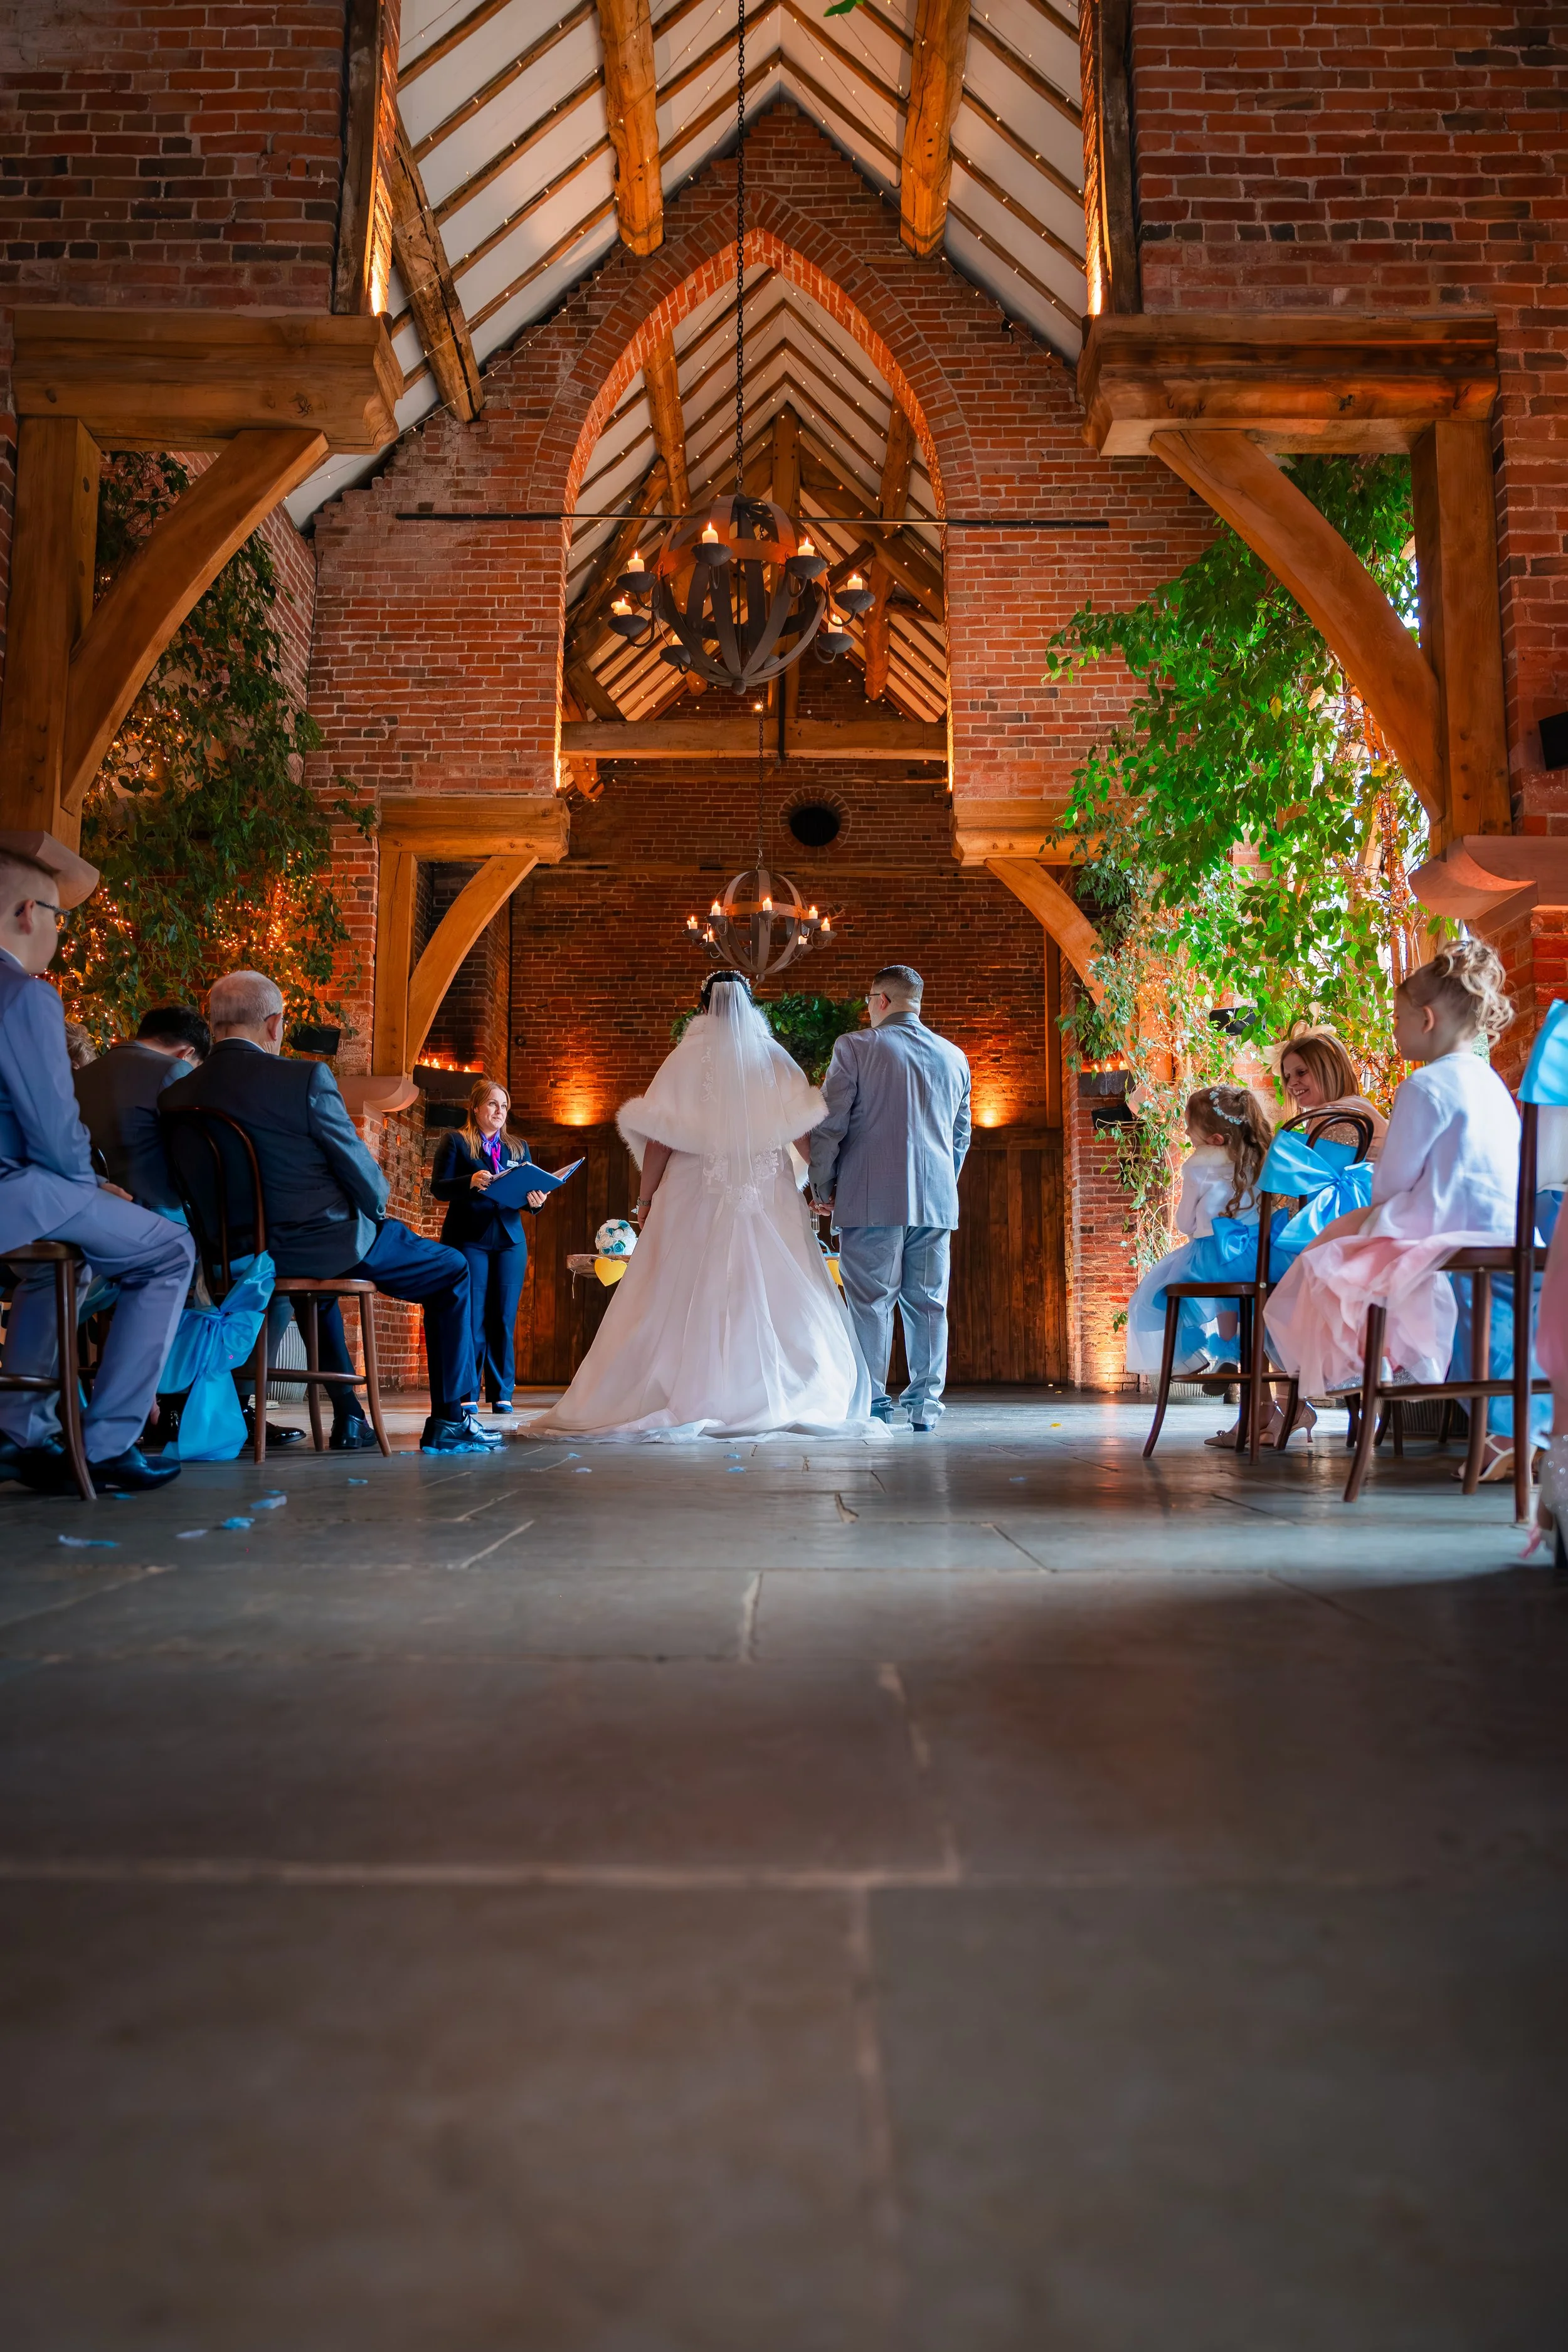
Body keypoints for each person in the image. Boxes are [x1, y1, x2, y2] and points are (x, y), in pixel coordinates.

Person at [159, 970, 495, 1455]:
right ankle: (451, 1419)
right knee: (453, 1270)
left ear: (212, 1023)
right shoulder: (303, 1078)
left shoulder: (176, 1096)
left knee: (313, 1293)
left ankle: (350, 1416)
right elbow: (370, 1183)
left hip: (237, 1258)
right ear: (275, 1026)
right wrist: (368, 1208)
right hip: (323, 1243)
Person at [530, 970, 872, 1438]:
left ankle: (679, 1388)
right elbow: (801, 1132)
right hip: (766, 1189)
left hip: (693, 1189)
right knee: (773, 1286)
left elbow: (659, 1142)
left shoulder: (682, 1061)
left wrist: (645, 1200)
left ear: (702, 1007)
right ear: (751, 1007)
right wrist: (821, 1186)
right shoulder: (775, 1058)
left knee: (678, 1285)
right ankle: (775, 1385)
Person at [1265, 940, 1541, 1478]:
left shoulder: (1424, 1085)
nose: (1392, 1030)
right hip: (1509, 1228)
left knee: (1323, 1259)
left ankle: (1368, 1373)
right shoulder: (1489, 1080)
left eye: (1396, 1018)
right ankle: (1506, 1432)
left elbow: (1392, 1185)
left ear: (1428, 1018)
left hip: (1440, 1224)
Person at [0, 849, 193, 1493]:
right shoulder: (23, 996)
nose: (58, 931)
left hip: (22, 1202)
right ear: (29, 913)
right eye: (58, 916)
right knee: (169, 1250)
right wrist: (91, 1183)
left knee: (73, 1257)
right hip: (13, 1191)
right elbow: (53, 1127)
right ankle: (108, 1444)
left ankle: (21, 1432)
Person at [807, 965, 972, 1432]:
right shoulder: (955, 1057)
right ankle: (925, 1407)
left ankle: (873, 1402)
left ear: (881, 1001)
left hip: (870, 1197)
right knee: (929, 1303)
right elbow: (961, 1138)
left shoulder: (856, 1047)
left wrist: (823, 1187)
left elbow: (831, 1125)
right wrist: (941, 1184)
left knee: (871, 1302)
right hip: (937, 1202)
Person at [1123, 1083, 1271, 1395]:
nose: (1187, 1134)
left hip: (1211, 1254)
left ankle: (1196, 1358)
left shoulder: (1199, 1167)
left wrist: (1198, 1226)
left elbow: (1184, 1222)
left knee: (1157, 1295)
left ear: (1214, 1140)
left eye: (1190, 1129)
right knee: (1245, 1293)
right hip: (1261, 1255)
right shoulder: (1263, 1161)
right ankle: (1241, 1356)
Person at [430, 1078, 551, 1417]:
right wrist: (469, 1182)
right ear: (476, 1107)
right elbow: (438, 1188)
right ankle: (468, 1391)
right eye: (493, 1104)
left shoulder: (518, 1147)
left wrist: (537, 1201)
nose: (500, 1111)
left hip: (510, 1242)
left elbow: (529, 1199)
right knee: (472, 1318)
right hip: (470, 1239)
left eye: (504, 1106)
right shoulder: (455, 1142)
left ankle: (502, 1393)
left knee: (503, 1318)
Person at [73, 1004, 211, 1212]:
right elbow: (194, 1154)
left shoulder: (82, 1074)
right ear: (187, 1053)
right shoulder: (174, 1069)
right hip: (156, 1211)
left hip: (90, 1204)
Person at [1276, 1026, 1388, 1158]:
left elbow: (1314, 1175)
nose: (1291, 1084)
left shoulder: (1328, 1116)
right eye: (1288, 1076)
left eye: (1301, 1072)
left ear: (1328, 1071)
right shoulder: (1359, 1104)